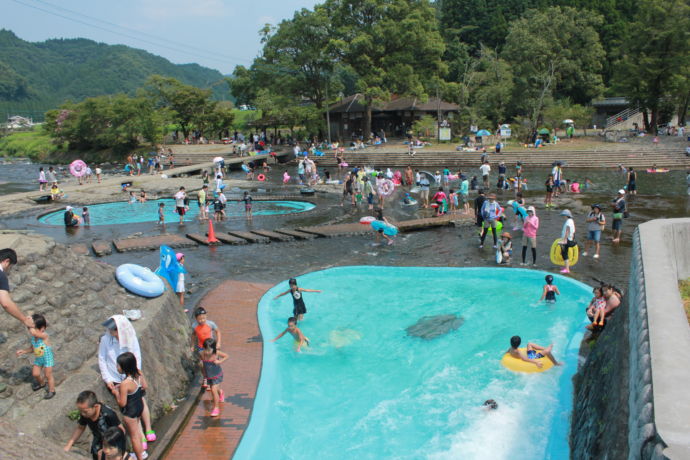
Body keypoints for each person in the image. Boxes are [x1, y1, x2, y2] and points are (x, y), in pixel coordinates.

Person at [98, 316, 155, 445]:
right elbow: (102, 359)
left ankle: (148, 429)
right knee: (130, 409)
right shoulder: (105, 340)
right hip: (116, 377)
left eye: (113, 330)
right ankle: (140, 435)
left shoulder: (130, 337)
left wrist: (135, 375)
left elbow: (137, 355)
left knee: (140, 401)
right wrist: (107, 379)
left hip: (131, 375)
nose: (111, 332)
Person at [63, 391, 126, 460]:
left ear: (95, 406)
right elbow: (80, 428)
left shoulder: (108, 414)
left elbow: (121, 431)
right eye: (80, 411)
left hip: (111, 445)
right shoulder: (85, 414)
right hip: (98, 443)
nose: (83, 414)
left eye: (85, 411)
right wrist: (69, 445)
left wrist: (120, 450)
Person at [111, 352, 147, 460]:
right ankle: (142, 453)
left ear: (124, 367)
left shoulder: (125, 383)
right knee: (138, 432)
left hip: (130, 412)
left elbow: (122, 403)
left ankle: (140, 457)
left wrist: (116, 393)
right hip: (139, 407)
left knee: (134, 436)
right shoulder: (139, 373)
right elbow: (145, 386)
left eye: (118, 365)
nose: (117, 367)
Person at [15, 313, 56, 399]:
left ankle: (52, 390)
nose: (31, 331)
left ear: (42, 329)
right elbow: (32, 348)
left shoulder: (44, 336)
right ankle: (42, 383)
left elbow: (34, 333)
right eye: (30, 329)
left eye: (34, 329)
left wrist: (28, 321)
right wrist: (24, 351)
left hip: (47, 359)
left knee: (48, 375)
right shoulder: (33, 338)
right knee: (35, 374)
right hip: (39, 359)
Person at [0, 249, 32, 327]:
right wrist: (24, 319)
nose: (8, 269)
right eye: (10, 267)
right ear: (7, 261)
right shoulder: (1, 276)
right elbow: (6, 303)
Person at [199, 338, 228, 417]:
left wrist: (219, 361)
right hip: (209, 375)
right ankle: (221, 392)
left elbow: (226, 356)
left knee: (213, 390)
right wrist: (204, 374)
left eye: (209, 350)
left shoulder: (216, 353)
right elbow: (203, 365)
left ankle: (216, 408)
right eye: (206, 349)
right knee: (216, 389)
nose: (207, 352)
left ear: (214, 348)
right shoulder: (202, 354)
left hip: (217, 375)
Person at [559, 209, 577, 274]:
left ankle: (567, 269)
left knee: (564, 254)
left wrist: (564, 240)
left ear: (566, 215)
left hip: (567, 240)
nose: (563, 217)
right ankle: (566, 267)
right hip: (569, 239)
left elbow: (567, 231)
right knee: (564, 253)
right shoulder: (571, 221)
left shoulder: (568, 222)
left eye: (564, 215)